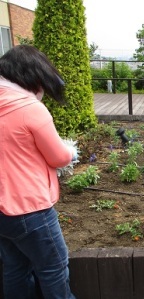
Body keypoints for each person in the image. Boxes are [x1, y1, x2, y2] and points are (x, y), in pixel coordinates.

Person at [0, 45, 77, 298]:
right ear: (31, 76)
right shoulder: (29, 108)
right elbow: (58, 157)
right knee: (53, 268)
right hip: (30, 209)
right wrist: (70, 151)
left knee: (14, 268)